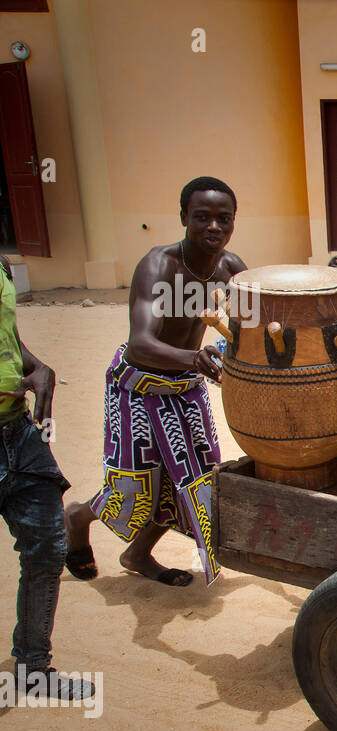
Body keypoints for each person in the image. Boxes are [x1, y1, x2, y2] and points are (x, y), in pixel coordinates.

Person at [64, 177, 246, 586]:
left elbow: (250, 324)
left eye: (223, 219)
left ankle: (138, 554)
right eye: (202, 217)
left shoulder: (232, 269)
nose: (213, 227)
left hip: (185, 387)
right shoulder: (159, 265)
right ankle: (77, 517)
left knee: (192, 481)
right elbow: (141, 344)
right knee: (135, 486)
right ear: (184, 217)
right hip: (137, 386)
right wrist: (194, 358)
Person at [0, 254, 95, 700]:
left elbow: (8, 339)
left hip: (18, 432)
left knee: (47, 549)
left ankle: (33, 667)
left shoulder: (1, 266)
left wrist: (35, 367)